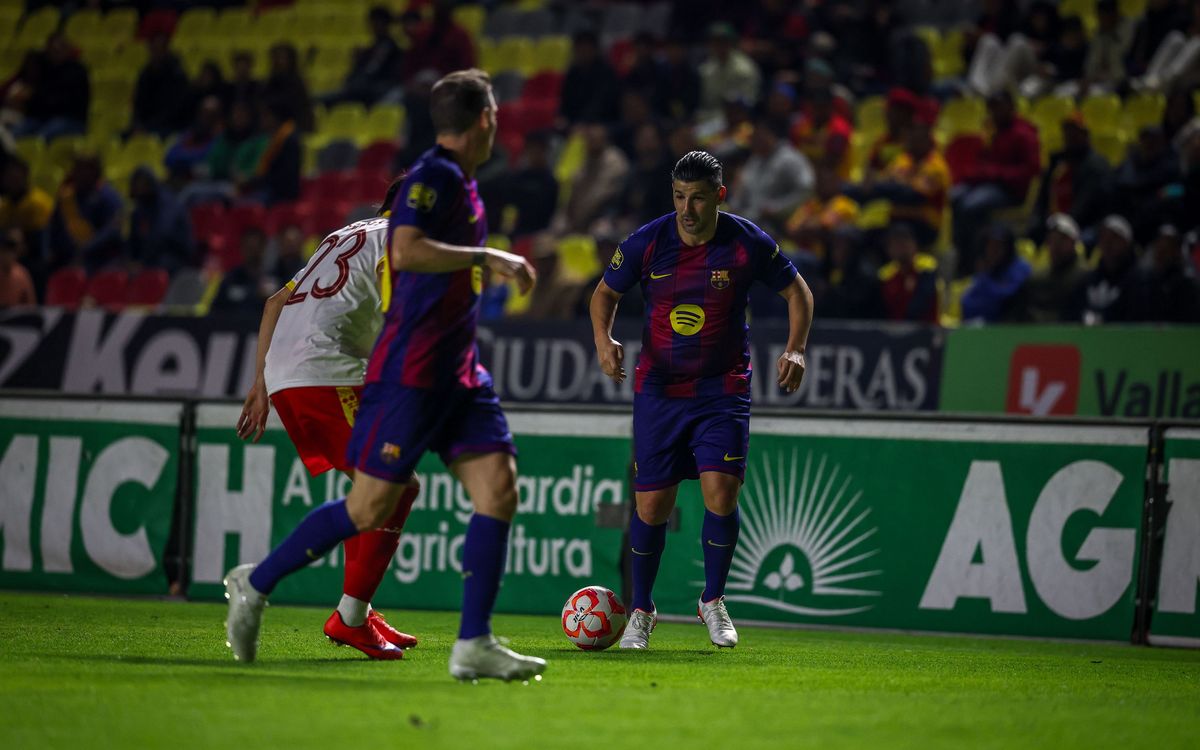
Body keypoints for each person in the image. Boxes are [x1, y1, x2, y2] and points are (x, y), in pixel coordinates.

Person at [223, 69, 546, 682]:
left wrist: (262, 381)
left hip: (441, 370)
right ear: (485, 119)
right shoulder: (429, 187)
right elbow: (405, 257)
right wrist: (490, 257)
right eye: (496, 110)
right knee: (376, 500)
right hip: (379, 370)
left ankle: (467, 639)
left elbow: (276, 303)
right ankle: (263, 584)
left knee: (496, 489)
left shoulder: (429, 204)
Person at [589, 150, 813, 650]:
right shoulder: (648, 242)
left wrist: (796, 350)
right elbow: (604, 294)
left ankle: (712, 601)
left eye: (697, 198)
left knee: (721, 493)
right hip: (659, 392)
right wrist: (604, 341)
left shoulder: (746, 242)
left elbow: (798, 292)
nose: (686, 209)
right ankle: (641, 611)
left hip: (722, 389)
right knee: (651, 505)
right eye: (679, 197)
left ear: (719, 196)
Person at [235, 180, 420, 660]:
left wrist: (259, 383)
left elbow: (274, 302)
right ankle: (305, 599)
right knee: (395, 484)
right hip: (326, 371)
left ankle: (357, 609)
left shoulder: (341, 235)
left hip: (290, 374)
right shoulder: (397, 235)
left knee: (379, 488)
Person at [1025, 213, 1087, 322]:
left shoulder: (1084, 278)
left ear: (1073, 243)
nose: (1055, 246)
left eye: (1061, 240)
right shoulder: (1036, 278)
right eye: (1051, 240)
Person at [0, 228, 36, 307]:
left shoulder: (22, 274)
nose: (7, 256)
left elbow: (30, 306)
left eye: (10, 251)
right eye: (4, 251)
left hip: (16, 317)